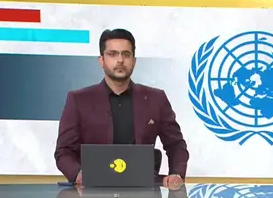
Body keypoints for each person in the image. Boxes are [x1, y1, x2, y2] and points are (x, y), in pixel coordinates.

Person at [54, 28, 189, 187]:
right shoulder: (78, 100)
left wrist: (176, 174)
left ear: (134, 61)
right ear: (101, 60)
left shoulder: (156, 99)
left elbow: (176, 145)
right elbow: (64, 151)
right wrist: (78, 175)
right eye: (112, 54)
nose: (120, 60)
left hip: (145, 190)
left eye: (126, 54)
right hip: (92, 191)